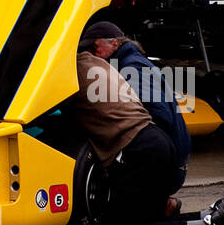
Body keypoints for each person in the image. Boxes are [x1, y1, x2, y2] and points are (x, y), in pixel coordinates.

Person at [75, 37, 224, 225]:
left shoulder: (72, 72)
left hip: (140, 149)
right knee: (148, 222)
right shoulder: (100, 64)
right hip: (156, 142)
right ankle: (212, 216)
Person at [78, 20, 190, 190]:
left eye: (94, 48)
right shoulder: (132, 62)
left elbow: (159, 115)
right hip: (171, 161)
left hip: (166, 166)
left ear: (115, 43)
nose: (91, 54)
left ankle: (164, 205)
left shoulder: (132, 67)